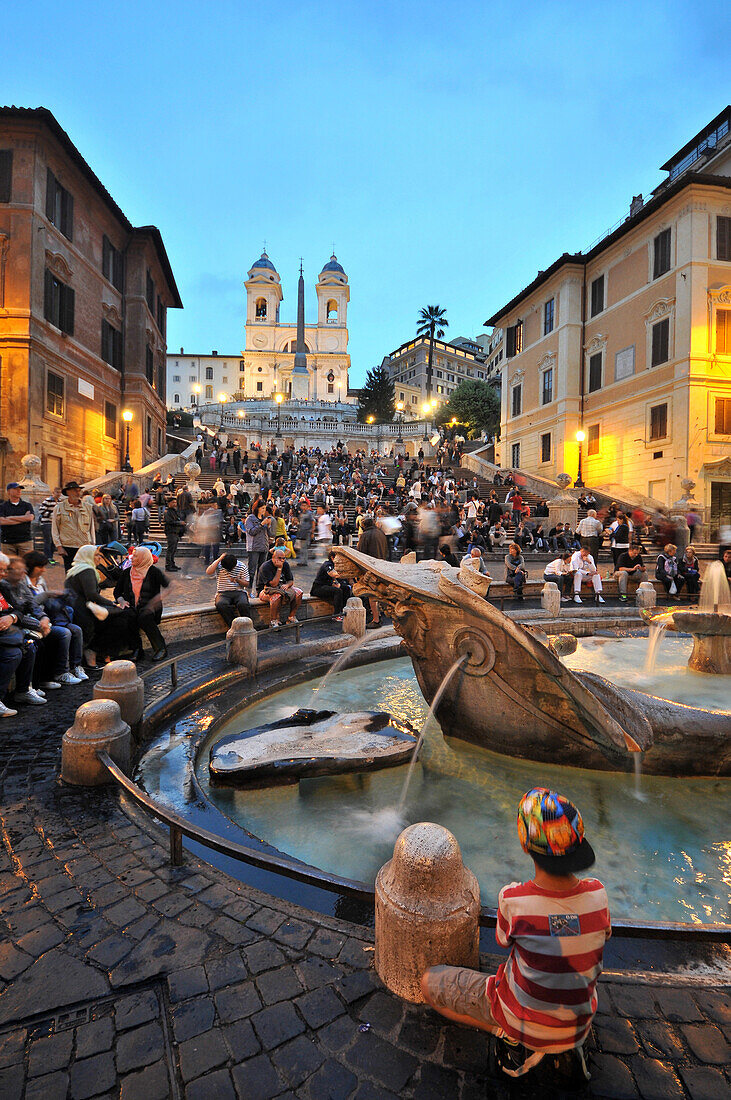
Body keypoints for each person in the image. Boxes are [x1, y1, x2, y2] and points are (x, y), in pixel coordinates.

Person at [421, 788, 610, 1079]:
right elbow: (602, 934)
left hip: (520, 1017)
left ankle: (508, 1034)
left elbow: (502, 941)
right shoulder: (598, 895)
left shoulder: (514, 899)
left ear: (525, 844)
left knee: (428, 983)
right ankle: (565, 1047)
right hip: (578, 1025)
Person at [65, 545, 132, 669]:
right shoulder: (87, 570)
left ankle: (98, 654)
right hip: (83, 611)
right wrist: (112, 603)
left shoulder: (76, 569)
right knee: (122, 616)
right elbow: (92, 594)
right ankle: (96, 653)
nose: (99, 558)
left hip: (76, 608)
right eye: (96, 555)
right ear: (88, 556)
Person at [24, 550, 87, 680]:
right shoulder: (23, 584)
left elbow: (45, 603)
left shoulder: (40, 580)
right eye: (40, 567)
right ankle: (61, 672)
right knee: (64, 633)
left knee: (77, 630)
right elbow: (29, 606)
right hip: (33, 621)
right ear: (30, 567)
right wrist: (47, 595)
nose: (43, 570)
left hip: (48, 617)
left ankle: (75, 666)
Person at [0, 553, 41, 714]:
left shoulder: (3, 587)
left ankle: (23, 691)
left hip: (8, 631)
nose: (4, 574)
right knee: (13, 653)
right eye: (1, 570)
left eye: (5, 570)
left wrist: (12, 617)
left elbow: (18, 609)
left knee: (29, 645)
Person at [114, 547, 169, 662]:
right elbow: (117, 591)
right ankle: (137, 650)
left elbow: (169, 586)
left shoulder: (154, 572)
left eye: (135, 556)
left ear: (143, 558)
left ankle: (161, 648)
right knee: (128, 616)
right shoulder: (126, 572)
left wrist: (156, 600)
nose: (131, 558)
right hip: (132, 606)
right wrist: (121, 601)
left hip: (150, 607)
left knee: (144, 617)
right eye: (132, 555)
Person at [52, 482, 95, 571]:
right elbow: (55, 528)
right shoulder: (59, 507)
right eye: (75, 491)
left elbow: (92, 527)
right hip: (68, 546)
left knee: (85, 572)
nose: (78, 493)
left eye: (79, 491)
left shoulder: (88, 507)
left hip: (84, 545)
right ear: (68, 492)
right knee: (70, 573)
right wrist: (59, 546)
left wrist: (93, 544)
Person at [257, 547, 303, 630]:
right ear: (273, 558)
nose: (282, 560)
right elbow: (273, 584)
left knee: (299, 592)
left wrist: (287, 585)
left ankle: (291, 617)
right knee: (276, 596)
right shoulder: (265, 566)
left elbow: (291, 580)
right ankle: (273, 621)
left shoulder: (285, 564)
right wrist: (279, 568)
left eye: (283, 558)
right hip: (266, 590)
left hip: (281, 587)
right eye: (279, 558)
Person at [357, 516, 389, 628]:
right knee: (379, 593)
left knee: (372, 595)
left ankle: (376, 619)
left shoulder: (365, 535)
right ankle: (379, 615)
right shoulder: (381, 533)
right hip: (382, 565)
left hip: (371, 568)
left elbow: (360, 553)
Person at [310, 550, 352, 620]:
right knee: (337, 591)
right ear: (332, 558)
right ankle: (336, 615)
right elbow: (332, 573)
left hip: (327, 586)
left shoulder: (337, 565)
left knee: (346, 588)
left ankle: (344, 611)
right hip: (318, 588)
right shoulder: (327, 564)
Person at [0, 482, 35, 558]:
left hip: (25, 541)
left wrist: (10, 518)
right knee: (9, 567)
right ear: (8, 492)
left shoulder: (27, 505)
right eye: (16, 489)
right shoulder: (2, 506)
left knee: (28, 565)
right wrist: (23, 518)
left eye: (20, 489)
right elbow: (2, 521)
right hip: (7, 542)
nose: (19, 491)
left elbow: (30, 518)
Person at [245, 502, 272, 589]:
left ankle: (259, 589)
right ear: (257, 508)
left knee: (262, 570)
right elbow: (251, 532)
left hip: (264, 547)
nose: (264, 511)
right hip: (254, 547)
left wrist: (268, 526)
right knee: (252, 571)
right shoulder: (250, 519)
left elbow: (270, 534)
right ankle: (248, 589)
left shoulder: (264, 519)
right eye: (262, 508)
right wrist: (261, 524)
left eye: (265, 508)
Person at [38, 487, 62, 562]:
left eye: (59, 492)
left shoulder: (60, 502)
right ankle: (47, 557)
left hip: (55, 524)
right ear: (53, 493)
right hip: (46, 523)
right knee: (48, 540)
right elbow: (41, 511)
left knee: (53, 541)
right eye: (57, 492)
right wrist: (52, 515)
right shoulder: (47, 500)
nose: (58, 494)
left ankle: (50, 557)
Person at [163, 498, 185, 572]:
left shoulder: (174, 511)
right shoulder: (167, 512)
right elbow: (169, 521)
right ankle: (168, 565)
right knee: (170, 549)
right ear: (169, 503)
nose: (175, 504)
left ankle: (172, 564)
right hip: (171, 532)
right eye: (173, 502)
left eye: (175, 502)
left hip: (176, 533)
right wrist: (179, 523)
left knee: (174, 549)